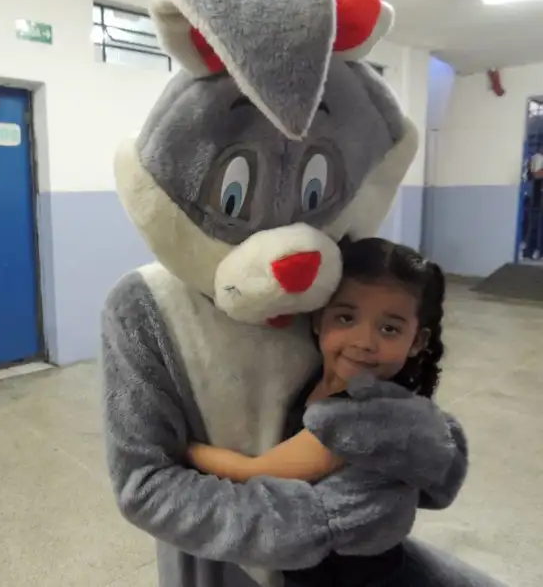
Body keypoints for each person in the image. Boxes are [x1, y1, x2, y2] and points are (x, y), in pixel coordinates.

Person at [187, 238, 448, 587]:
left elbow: (254, 471)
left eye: (389, 329)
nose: (364, 341)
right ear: (317, 320)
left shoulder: (364, 419)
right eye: (346, 317)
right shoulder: (312, 376)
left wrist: (183, 448)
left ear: (416, 342)